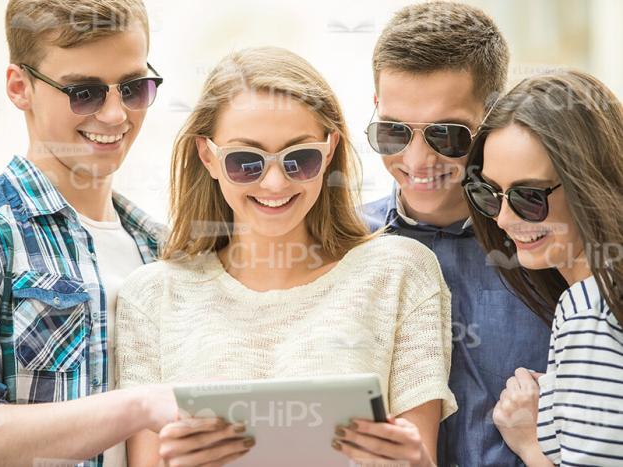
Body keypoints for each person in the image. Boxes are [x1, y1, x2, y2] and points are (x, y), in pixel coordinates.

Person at [115, 46, 457, 467]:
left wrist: (414, 462)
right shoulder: (152, 297)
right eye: (246, 162)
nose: (275, 183)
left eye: (300, 159)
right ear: (208, 156)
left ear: (329, 150)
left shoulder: (400, 273)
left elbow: (422, 458)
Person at [0, 1, 177, 466]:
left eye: (134, 88)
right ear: (20, 87)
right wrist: (137, 406)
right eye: (85, 92)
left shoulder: (161, 248)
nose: (117, 115)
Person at [362, 3, 554, 465]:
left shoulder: (548, 247)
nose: (417, 159)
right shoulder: (343, 245)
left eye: (446, 135)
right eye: (393, 132)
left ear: (493, 116)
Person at [463, 70, 623, 466]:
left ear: (588, 184)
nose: (502, 218)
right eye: (490, 194)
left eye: (528, 196)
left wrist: (529, 441)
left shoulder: (590, 309)